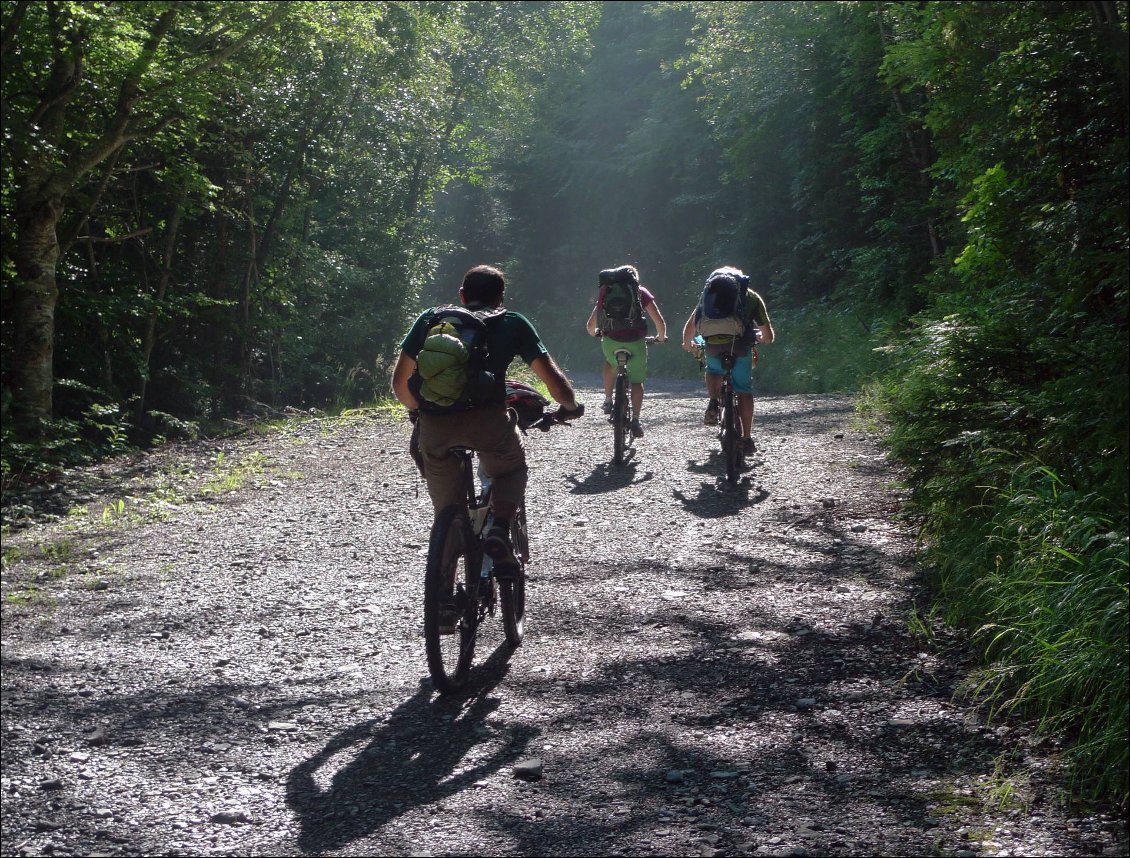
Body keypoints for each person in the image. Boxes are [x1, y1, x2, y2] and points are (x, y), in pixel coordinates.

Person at [392, 265, 583, 624]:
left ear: (462, 295)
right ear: (501, 298)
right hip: (489, 423)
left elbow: (399, 383)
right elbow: (552, 381)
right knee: (510, 469)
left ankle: (445, 605)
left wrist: (423, 413)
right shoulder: (512, 322)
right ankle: (498, 528)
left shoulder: (432, 320)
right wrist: (570, 406)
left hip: (435, 428)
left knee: (447, 512)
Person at [681, 265, 775, 456]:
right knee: (744, 391)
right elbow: (767, 334)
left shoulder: (707, 296)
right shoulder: (751, 297)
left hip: (713, 346)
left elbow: (691, 326)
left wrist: (687, 343)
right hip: (740, 348)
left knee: (713, 370)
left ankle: (714, 402)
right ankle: (747, 438)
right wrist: (763, 339)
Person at [584, 264, 668, 438]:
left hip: (611, 340)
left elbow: (591, 325)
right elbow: (658, 320)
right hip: (635, 340)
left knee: (610, 363)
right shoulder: (639, 292)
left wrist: (595, 333)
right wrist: (660, 337)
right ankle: (636, 420)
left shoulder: (605, 293)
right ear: (634, 279)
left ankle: (608, 401)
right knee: (637, 381)